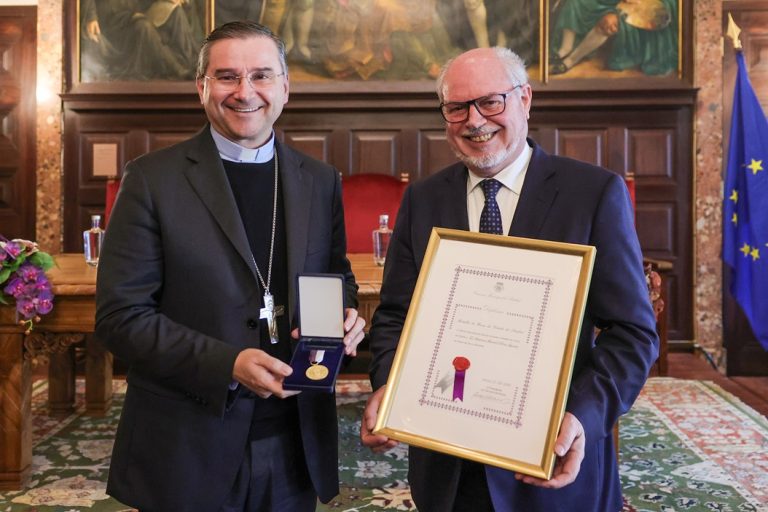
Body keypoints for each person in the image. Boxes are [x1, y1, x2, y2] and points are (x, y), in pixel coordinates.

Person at [360, 47, 659, 511]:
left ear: (525, 99)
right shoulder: (423, 199)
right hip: (447, 466)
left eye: (490, 102)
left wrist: (584, 415)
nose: (474, 120)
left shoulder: (592, 194)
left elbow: (633, 333)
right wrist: (388, 385)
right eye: (456, 107)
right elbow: (395, 315)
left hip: (549, 463)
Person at [95, 21, 366, 511]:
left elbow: (335, 275)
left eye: (262, 75)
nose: (245, 92)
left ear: (286, 86)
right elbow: (120, 319)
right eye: (227, 77)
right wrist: (229, 365)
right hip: (188, 441)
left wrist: (345, 315)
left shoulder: (319, 180)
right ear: (202, 87)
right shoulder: (152, 180)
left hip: (294, 439)